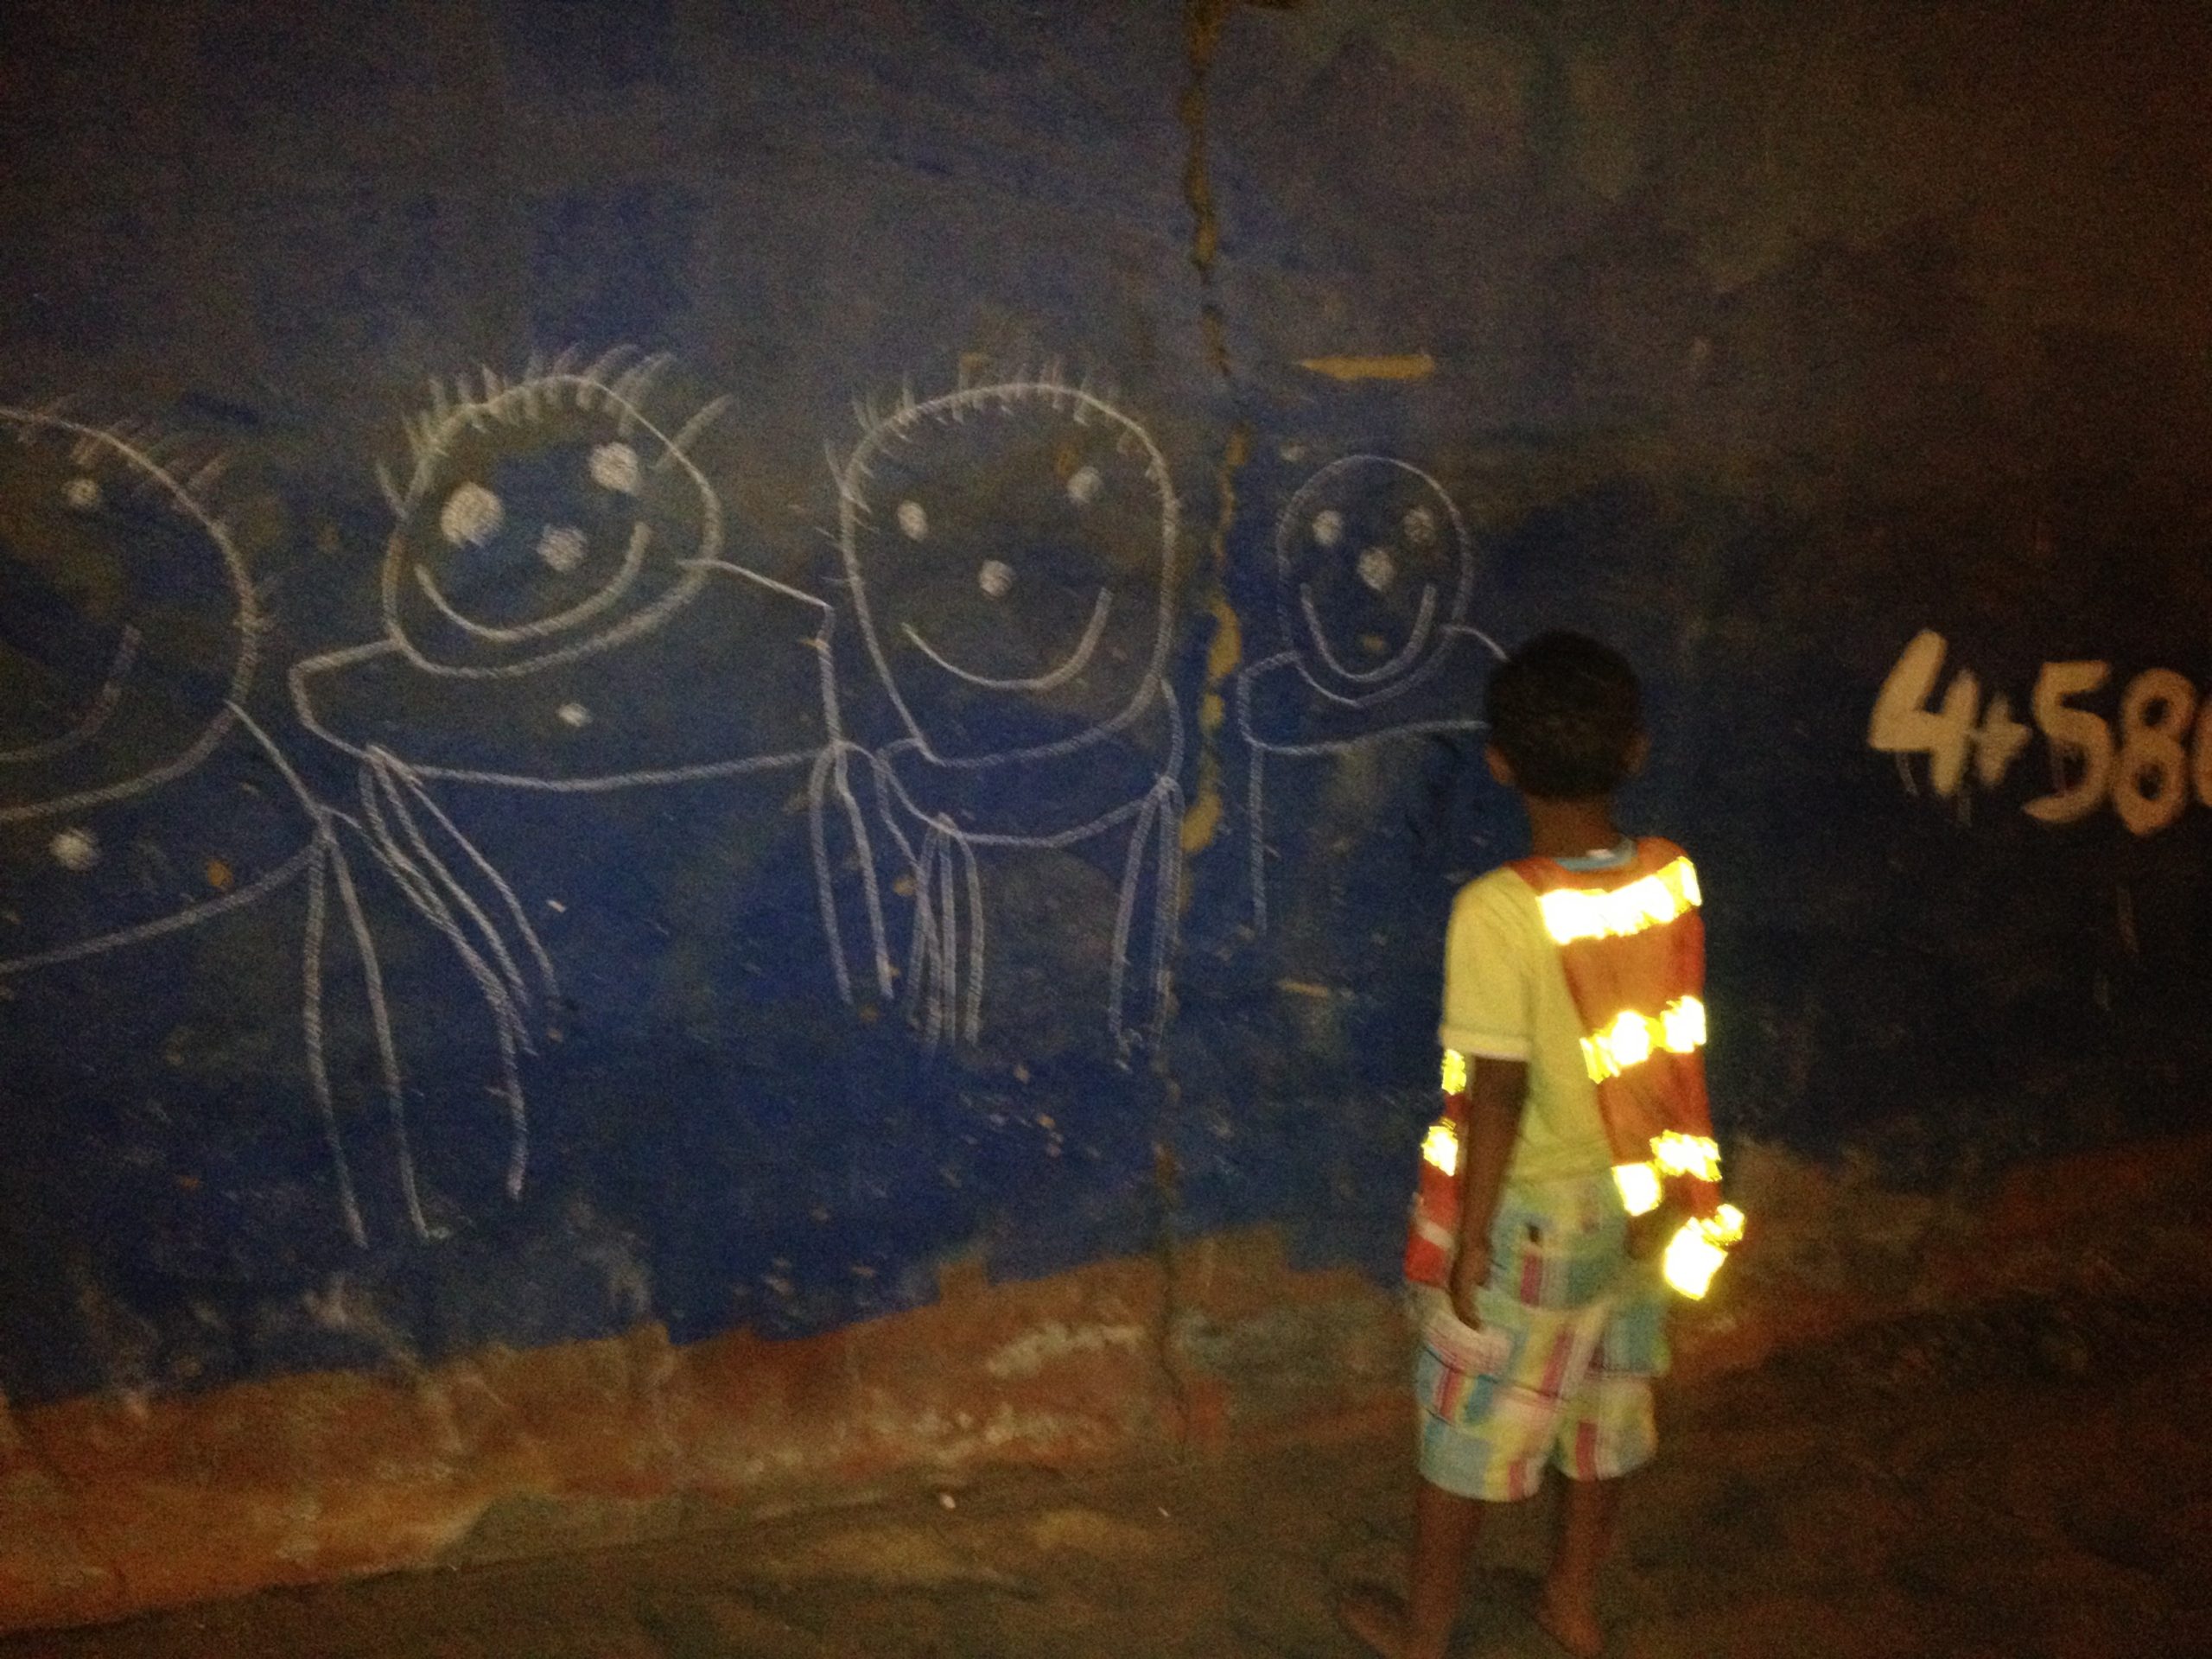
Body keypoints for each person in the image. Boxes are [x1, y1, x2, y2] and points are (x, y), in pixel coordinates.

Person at [1338, 631, 1742, 1659]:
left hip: (1535, 1220)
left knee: (1470, 1429)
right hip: (1644, 1198)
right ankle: (1570, 1601)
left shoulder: (1498, 911)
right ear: (1635, 751)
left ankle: (1423, 1638)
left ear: (1500, 762)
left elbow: (1499, 1092)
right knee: (1607, 1408)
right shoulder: (1669, 875)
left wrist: (1467, 1246)